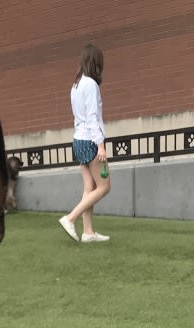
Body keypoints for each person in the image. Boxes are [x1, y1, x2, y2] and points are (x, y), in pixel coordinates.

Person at [59, 43, 111, 243]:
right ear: (96, 62)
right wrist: (100, 145)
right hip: (90, 141)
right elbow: (92, 117)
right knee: (104, 186)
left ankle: (88, 232)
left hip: (79, 140)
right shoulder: (90, 84)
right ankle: (70, 218)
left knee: (89, 187)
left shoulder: (77, 84)